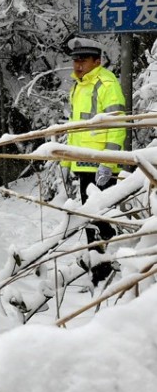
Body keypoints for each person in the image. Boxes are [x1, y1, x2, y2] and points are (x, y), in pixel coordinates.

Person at [63, 37, 126, 269]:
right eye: (75, 60)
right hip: (83, 163)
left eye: (83, 60)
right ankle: (95, 265)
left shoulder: (106, 84)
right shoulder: (79, 85)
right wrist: (67, 161)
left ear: (97, 61)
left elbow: (118, 125)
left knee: (102, 219)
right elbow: (75, 126)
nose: (78, 65)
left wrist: (108, 162)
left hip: (100, 165)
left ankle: (105, 266)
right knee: (90, 218)